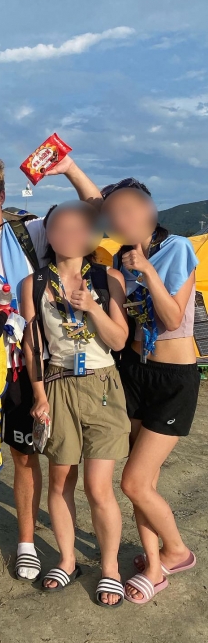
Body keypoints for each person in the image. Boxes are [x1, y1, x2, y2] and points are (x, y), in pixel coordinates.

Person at [0, 155, 101, 579]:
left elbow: (92, 210)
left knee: (23, 454)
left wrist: (69, 168)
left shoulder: (30, 230)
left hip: (32, 361)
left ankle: (26, 541)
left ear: (1, 195)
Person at [21, 201, 130, 607]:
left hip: (103, 384)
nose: (68, 234)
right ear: (47, 234)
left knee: (98, 486)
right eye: (58, 227)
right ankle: (68, 561)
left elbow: (118, 341)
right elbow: (33, 347)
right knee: (60, 480)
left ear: (91, 234)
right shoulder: (32, 284)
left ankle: (111, 568)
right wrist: (39, 397)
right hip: (58, 383)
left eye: (77, 226)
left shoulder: (109, 278)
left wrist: (93, 307)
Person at [101, 178, 200, 605]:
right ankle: (154, 563)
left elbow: (173, 316)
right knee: (147, 479)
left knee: (134, 483)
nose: (119, 220)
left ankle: (177, 550)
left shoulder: (177, 248)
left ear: (148, 210)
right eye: (113, 215)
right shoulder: (123, 258)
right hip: (136, 372)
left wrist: (147, 271)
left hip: (174, 379)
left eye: (128, 211)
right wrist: (66, 166)